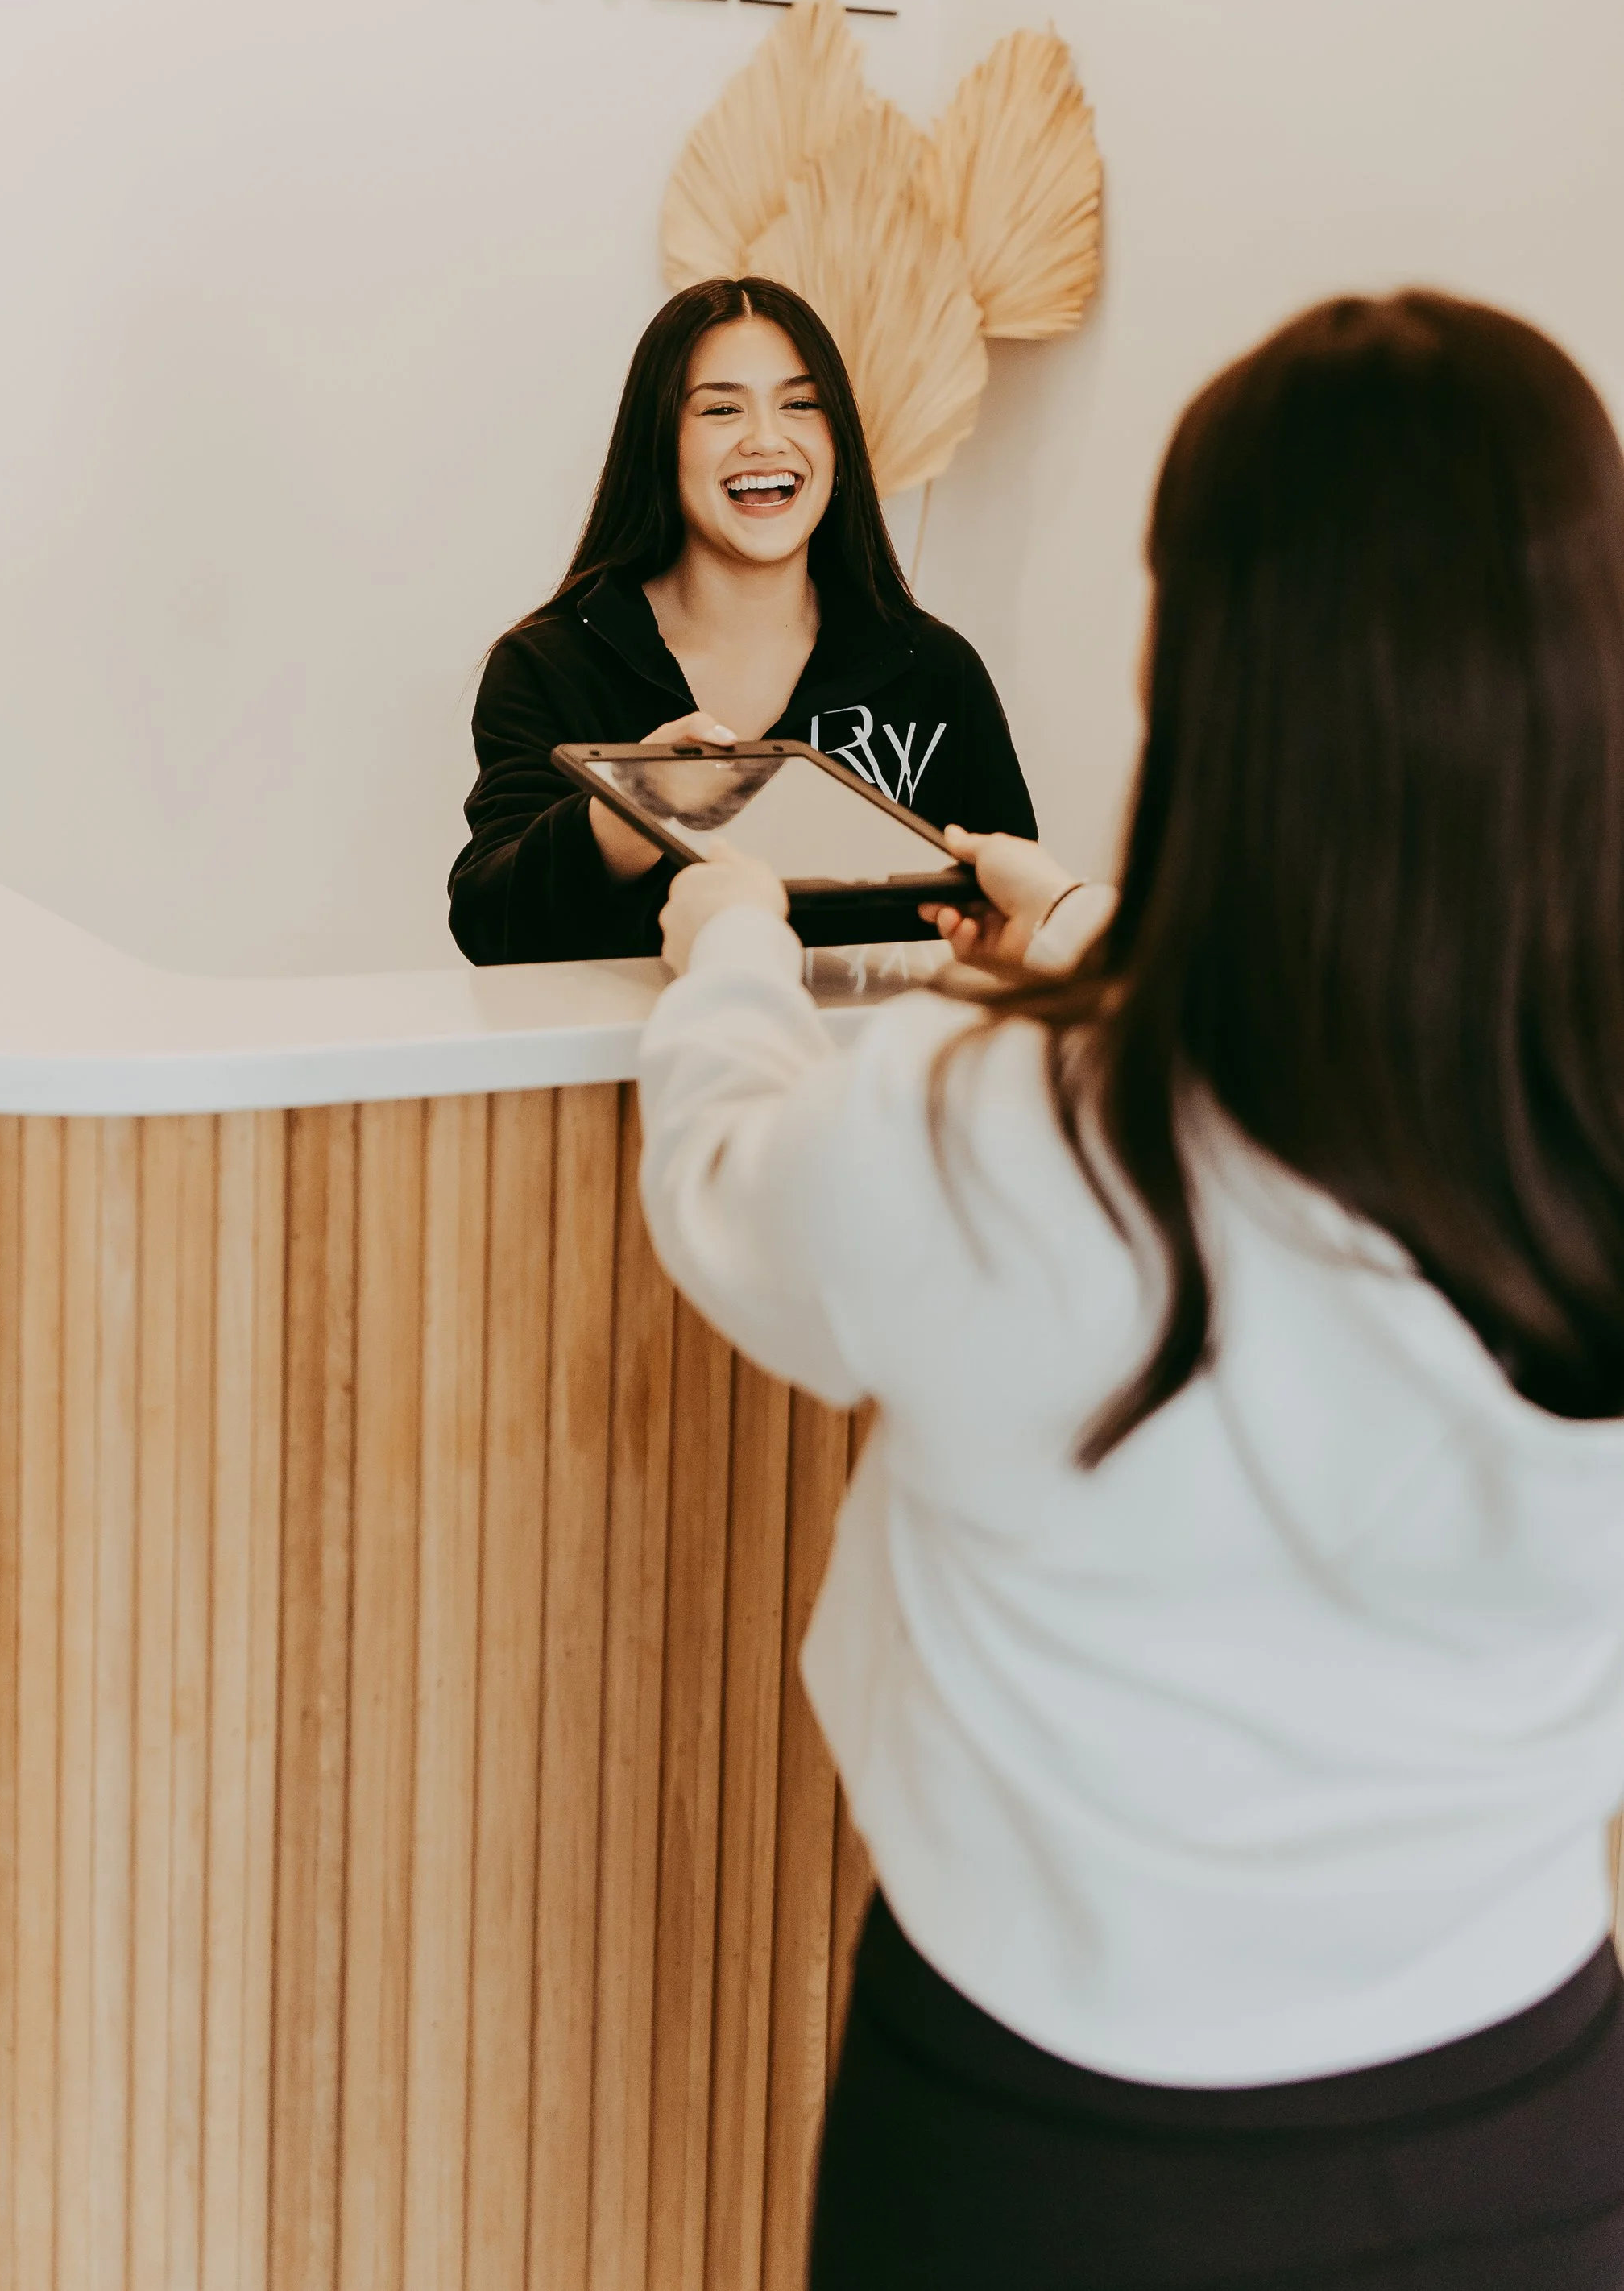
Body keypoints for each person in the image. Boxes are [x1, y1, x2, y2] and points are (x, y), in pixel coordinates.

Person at [636, 292, 1624, 2289]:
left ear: (1190, 659)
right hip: (1521, 2141)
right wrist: (1076, 919)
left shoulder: (992, 1124)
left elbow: (730, 1190)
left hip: (1035, 2154)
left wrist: (731, 934)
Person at [448, 276, 1034, 963]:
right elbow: (490, 929)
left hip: (874, 1068)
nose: (766, 438)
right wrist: (627, 816)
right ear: (659, 443)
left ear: (837, 442)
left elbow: (1015, 922)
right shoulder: (550, 664)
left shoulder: (934, 670)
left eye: (801, 403)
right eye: (722, 409)